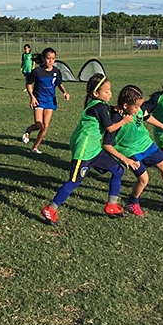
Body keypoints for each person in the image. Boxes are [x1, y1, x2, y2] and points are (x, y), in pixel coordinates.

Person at [41, 74, 134, 225]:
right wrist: (124, 120)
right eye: (106, 91)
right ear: (96, 94)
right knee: (74, 181)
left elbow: (105, 113)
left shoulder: (98, 104)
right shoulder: (98, 106)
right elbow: (110, 128)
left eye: (110, 90)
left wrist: (113, 109)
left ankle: (111, 205)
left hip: (95, 149)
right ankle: (50, 209)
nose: (110, 94)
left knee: (118, 170)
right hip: (84, 150)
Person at [102, 85, 163, 216]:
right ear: (125, 106)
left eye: (139, 107)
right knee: (143, 179)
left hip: (146, 144)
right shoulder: (116, 118)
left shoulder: (138, 110)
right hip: (130, 151)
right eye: (135, 107)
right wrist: (124, 158)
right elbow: (107, 144)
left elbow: (147, 117)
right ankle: (132, 202)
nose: (138, 110)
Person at [22, 47, 70, 154]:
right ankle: (28, 130)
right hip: (39, 100)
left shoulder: (56, 71)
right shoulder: (37, 71)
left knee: (45, 127)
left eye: (53, 59)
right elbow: (28, 84)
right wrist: (32, 97)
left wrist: (64, 92)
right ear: (43, 58)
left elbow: (58, 84)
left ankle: (35, 148)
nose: (51, 61)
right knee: (39, 125)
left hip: (50, 101)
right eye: (48, 58)